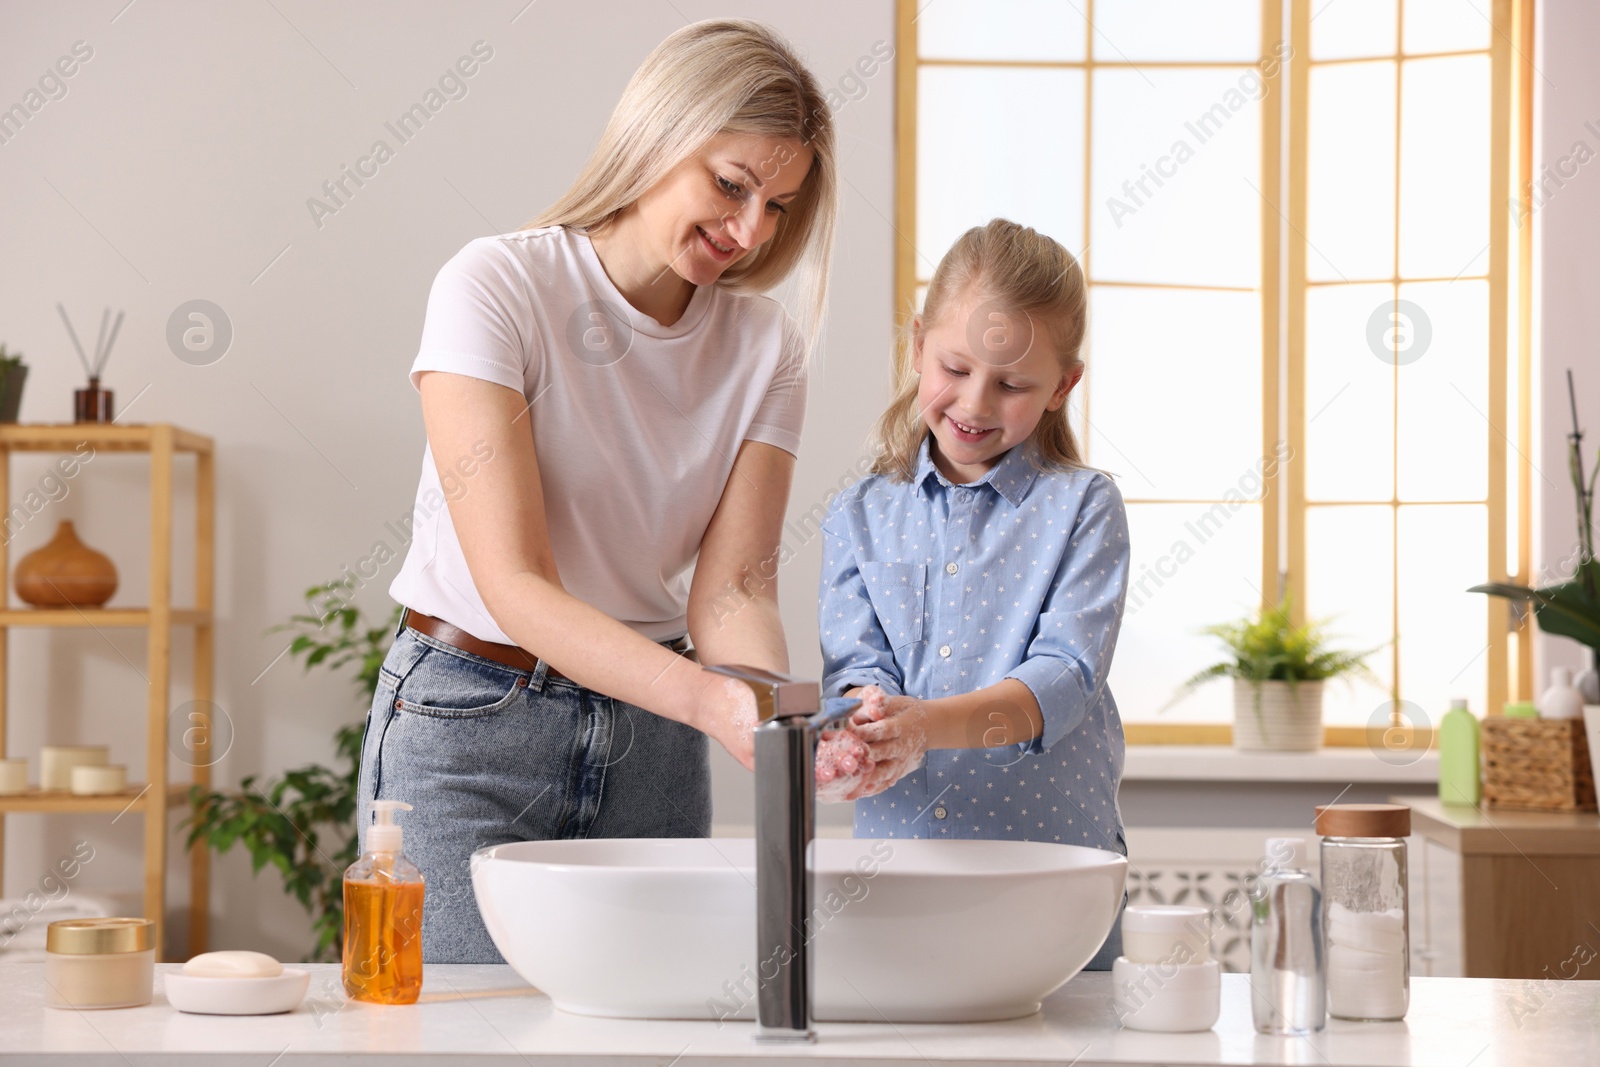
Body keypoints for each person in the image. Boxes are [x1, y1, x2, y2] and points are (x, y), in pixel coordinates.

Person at [357, 19, 838, 964]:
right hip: (471, 721)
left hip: (653, 741)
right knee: (459, 1030)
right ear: (658, 133)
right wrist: (709, 700)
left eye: (778, 205)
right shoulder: (495, 285)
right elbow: (517, 582)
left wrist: (768, 712)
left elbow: (734, 588)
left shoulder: (766, 346)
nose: (748, 231)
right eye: (731, 184)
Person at [817, 218, 1131, 969]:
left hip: (1054, 878)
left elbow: (1064, 678)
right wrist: (866, 725)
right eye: (954, 366)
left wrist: (925, 724)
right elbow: (856, 667)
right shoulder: (857, 512)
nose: (975, 402)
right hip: (900, 877)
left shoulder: (1084, 507)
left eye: (1013, 383)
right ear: (917, 344)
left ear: (1062, 386)